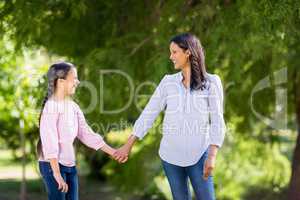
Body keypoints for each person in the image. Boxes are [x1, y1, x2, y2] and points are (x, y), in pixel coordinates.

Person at [114, 33, 226, 200]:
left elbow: (217, 120)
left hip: (200, 155)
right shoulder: (168, 82)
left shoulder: (211, 83)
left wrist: (212, 156)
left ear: (187, 52)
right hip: (171, 157)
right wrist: (128, 144)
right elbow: (149, 113)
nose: (170, 56)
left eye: (174, 52)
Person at [37, 62, 126, 200]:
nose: (77, 82)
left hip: (69, 165)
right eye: (74, 79)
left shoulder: (73, 107)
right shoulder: (51, 107)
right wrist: (56, 173)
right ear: (61, 82)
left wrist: (113, 152)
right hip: (52, 165)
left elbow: (86, 134)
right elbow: (50, 141)